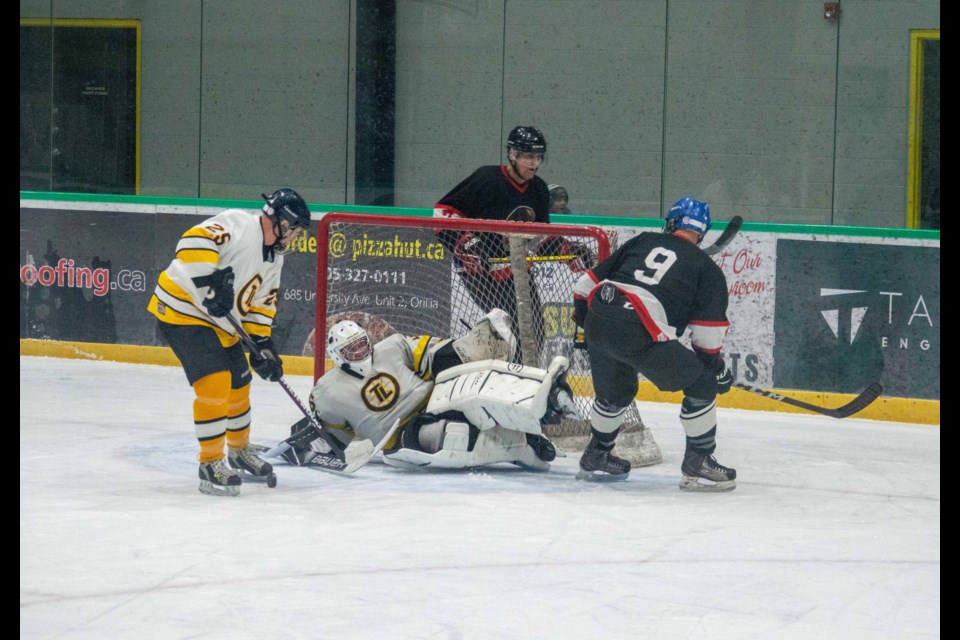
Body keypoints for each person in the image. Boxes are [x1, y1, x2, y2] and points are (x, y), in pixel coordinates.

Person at [147, 188, 311, 496]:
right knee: (216, 382)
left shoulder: (274, 258)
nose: (295, 238)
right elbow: (192, 241)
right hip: (182, 310)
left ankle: (238, 450)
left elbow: (262, 304)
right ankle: (210, 463)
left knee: (240, 381)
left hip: (219, 321)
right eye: (296, 231)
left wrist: (262, 344)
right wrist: (211, 286)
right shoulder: (239, 224)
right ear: (283, 223)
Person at [275, 309, 574, 472]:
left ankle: (546, 399)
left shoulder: (391, 347)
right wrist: (312, 442)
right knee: (455, 434)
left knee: (476, 386)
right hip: (402, 435)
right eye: (350, 350)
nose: (360, 352)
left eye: (361, 344)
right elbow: (336, 438)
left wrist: (469, 349)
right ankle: (523, 441)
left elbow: (433, 354)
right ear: (338, 356)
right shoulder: (327, 392)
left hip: (437, 400)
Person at [572, 197, 736, 491]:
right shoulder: (707, 269)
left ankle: (597, 453)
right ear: (701, 233)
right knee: (702, 384)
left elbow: (583, 287)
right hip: (639, 329)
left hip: (599, 316)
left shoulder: (643, 240)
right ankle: (698, 460)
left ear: (671, 222)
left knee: (618, 392)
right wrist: (715, 369)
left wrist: (588, 330)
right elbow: (708, 337)